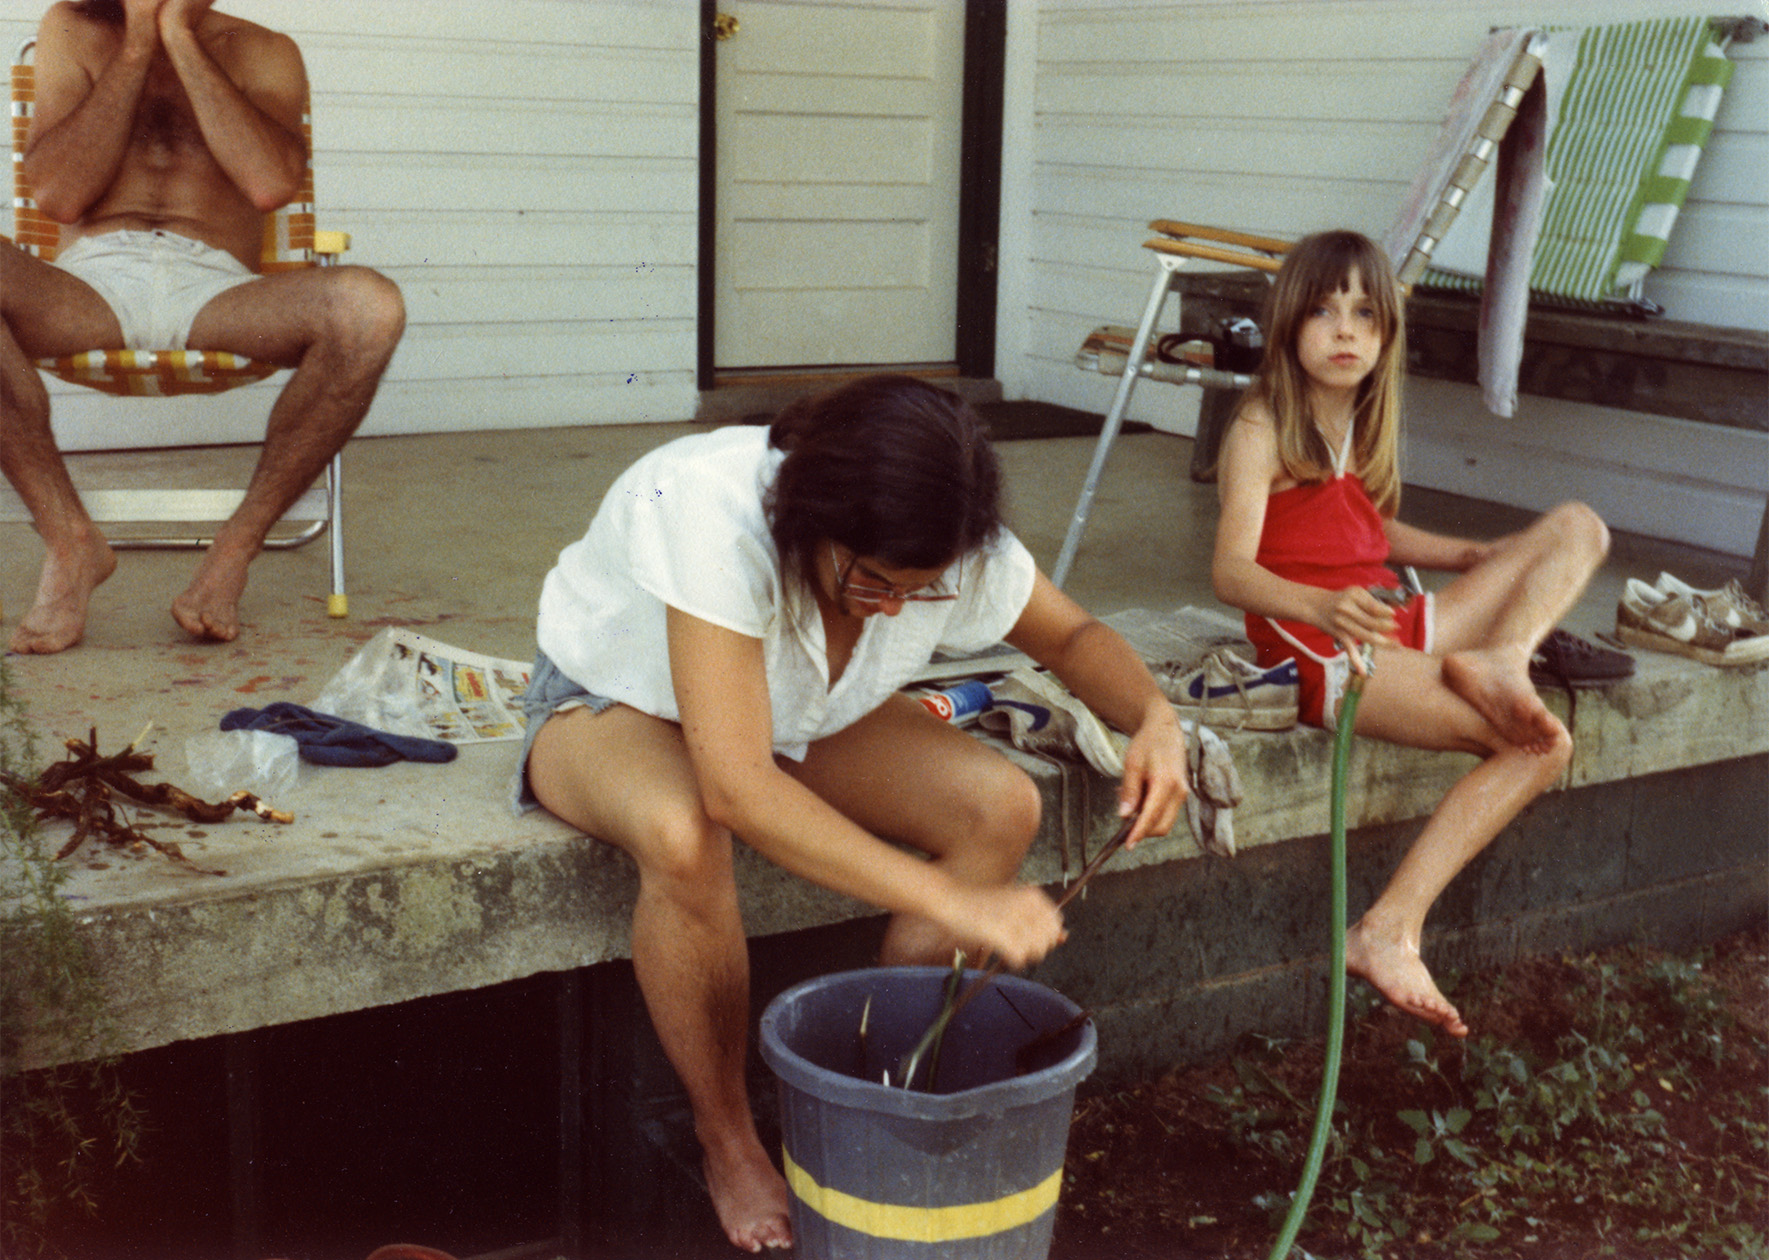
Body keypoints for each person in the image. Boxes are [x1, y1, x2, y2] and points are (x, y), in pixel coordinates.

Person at [520, 375, 1191, 1253]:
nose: (896, 609)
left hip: (799, 708)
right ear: (810, 516)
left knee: (998, 806)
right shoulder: (709, 506)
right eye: (873, 583)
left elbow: (1069, 638)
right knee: (684, 833)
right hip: (615, 703)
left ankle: (893, 1093)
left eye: (923, 591)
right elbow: (738, 788)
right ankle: (724, 1134)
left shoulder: (950, 538)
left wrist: (1155, 720)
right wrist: (948, 900)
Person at [1211, 230, 1610, 1039]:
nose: (1345, 330)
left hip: (1391, 622)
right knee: (1541, 746)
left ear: (1387, 334)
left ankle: (1501, 654)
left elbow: (1365, 529)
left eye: (1365, 313)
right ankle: (1386, 929)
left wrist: (1470, 554)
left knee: (1576, 526)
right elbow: (1230, 571)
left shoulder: (1350, 414)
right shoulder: (1261, 423)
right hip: (1324, 649)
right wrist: (1320, 609)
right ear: (1289, 324)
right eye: (1323, 311)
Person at [1, 0, 405, 654]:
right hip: (87, 286)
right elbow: (59, 198)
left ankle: (231, 554)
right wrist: (137, 40)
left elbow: (270, 184)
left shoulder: (266, 51)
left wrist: (177, 36)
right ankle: (70, 541)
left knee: (370, 307)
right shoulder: (71, 29)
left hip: (218, 286)